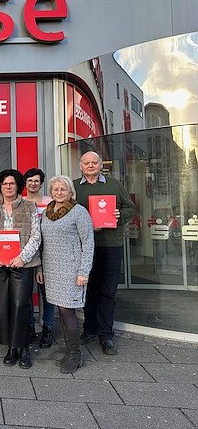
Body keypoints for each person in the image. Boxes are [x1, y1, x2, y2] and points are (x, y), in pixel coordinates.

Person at [74, 151, 136, 355]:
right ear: (81, 166)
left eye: (94, 162)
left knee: (107, 292)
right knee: (89, 290)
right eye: (86, 163)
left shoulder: (114, 185)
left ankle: (106, 335)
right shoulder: (74, 188)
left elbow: (130, 207)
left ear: (101, 165)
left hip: (110, 244)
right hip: (83, 247)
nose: (90, 166)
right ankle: (89, 329)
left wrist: (118, 216)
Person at [0, 169, 41, 369]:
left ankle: (23, 348)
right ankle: (10, 347)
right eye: (5, 184)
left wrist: (22, 257)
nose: (8, 187)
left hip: (21, 264)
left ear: (18, 186)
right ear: (0, 186)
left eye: (12, 183)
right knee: (2, 306)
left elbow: (36, 236)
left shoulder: (30, 206)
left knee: (20, 305)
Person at [38, 175, 94, 373]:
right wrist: (40, 268)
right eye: (55, 189)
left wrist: (83, 271)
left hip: (71, 269)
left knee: (67, 309)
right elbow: (41, 242)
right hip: (51, 268)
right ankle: (69, 349)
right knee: (61, 310)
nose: (59, 192)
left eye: (63, 189)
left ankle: (75, 355)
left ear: (71, 192)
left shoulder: (79, 212)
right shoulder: (47, 212)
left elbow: (88, 243)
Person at [23, 168, 56, 349]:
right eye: (30, 181)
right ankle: (29, 328)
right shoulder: (21, 203)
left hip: (48, 252)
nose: (33, 184)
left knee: (47, 294)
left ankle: (47, 328)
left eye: (36, 181)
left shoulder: (50, 202)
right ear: (25, 183)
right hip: (27, 252)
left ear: (41, 183)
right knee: (26, 293)